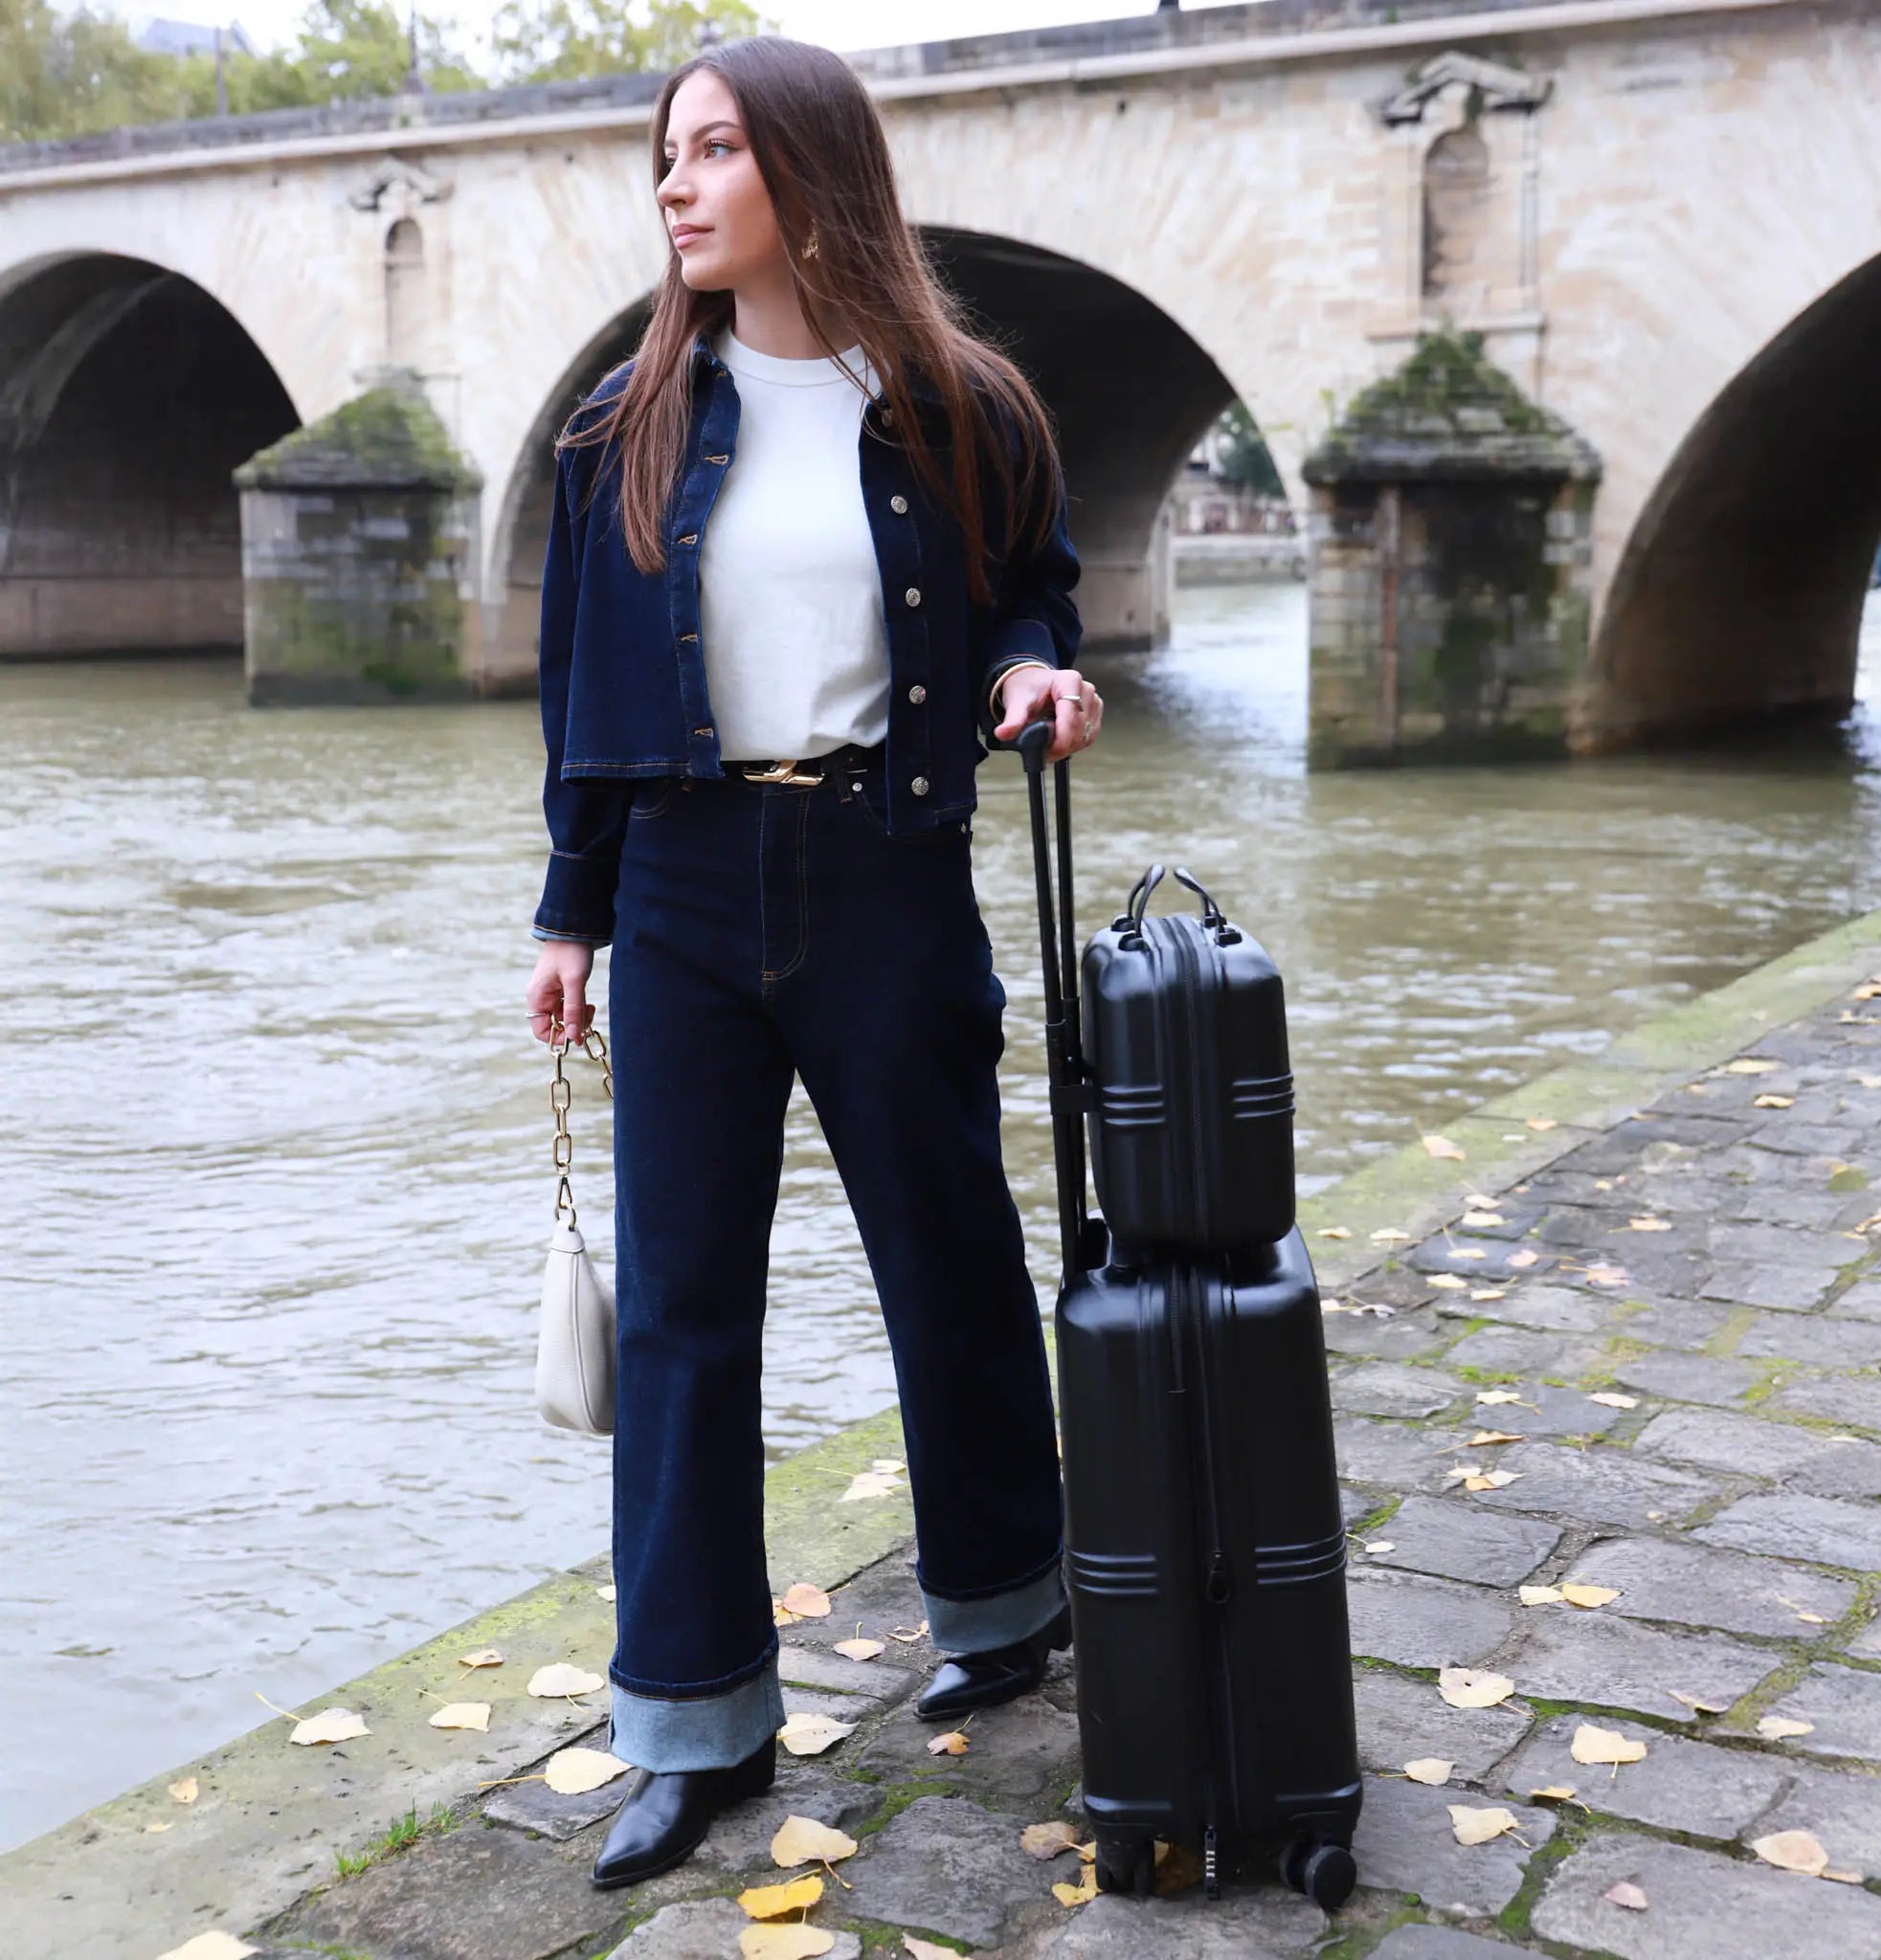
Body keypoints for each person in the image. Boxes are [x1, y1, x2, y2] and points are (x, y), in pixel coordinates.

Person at [520, 33, 1106, 1891]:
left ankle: (1006, 1601)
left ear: (805, 168)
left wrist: (1033, 663)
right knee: (687, 1312)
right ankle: (692, 1722)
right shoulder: (623, 422)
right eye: (665, 159)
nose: (677, 187)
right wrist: (571, 909)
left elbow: (1037, 580)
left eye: (709, 152)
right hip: (684, 886)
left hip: (885, 864)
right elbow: (583, 694)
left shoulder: (960, 402)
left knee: (944, 1247)